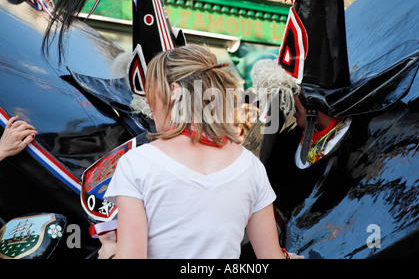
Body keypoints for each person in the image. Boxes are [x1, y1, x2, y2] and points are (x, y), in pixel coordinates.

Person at [99, 45, 292, 259]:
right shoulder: (251, 166)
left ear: (174, 91)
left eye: (151, 88)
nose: (146, 100)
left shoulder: (137, 163)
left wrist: (109, 253)